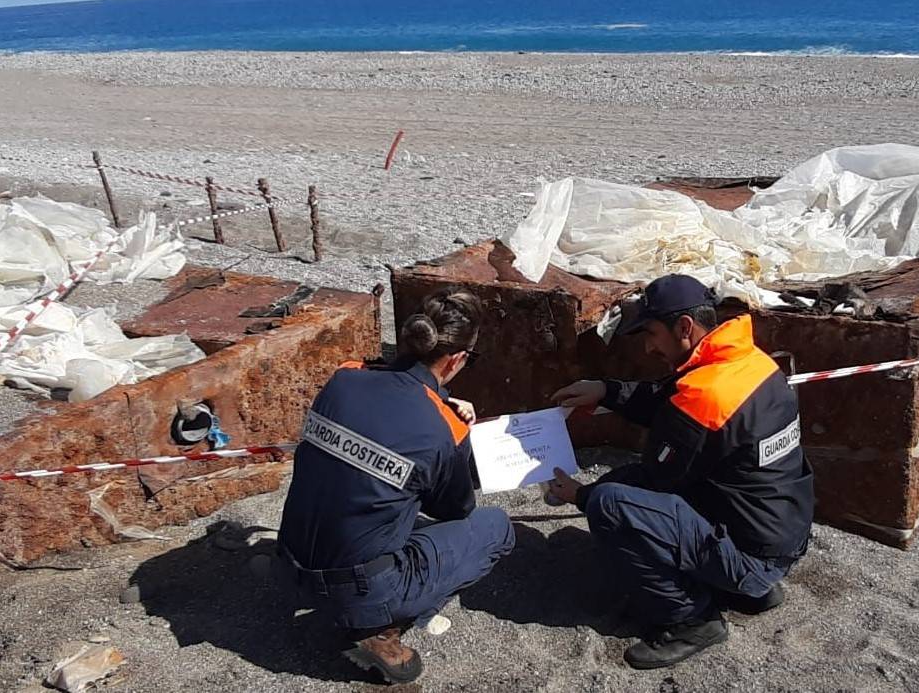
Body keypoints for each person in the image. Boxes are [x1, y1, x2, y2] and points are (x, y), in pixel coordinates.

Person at [547, 274, 814, 669]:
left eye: (652, 333)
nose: (649, 345)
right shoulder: (750, 362)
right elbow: (670, 398)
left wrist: (579, 495)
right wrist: (606, 390)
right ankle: (753, 590)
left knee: (611, 502)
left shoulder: (706, 396)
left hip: (755, 556)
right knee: (631, 488)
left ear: (684, 328)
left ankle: (691, 619)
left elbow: (657, 480)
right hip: (783, 533)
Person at [276, 289, 515, 684]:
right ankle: (381, 627)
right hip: (356, 589)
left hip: (291, 562)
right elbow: (454, 511)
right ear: (456, 359)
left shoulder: (345, 376)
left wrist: (440, 401)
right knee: (495, 528)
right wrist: (456, 431)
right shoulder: (444, 427)